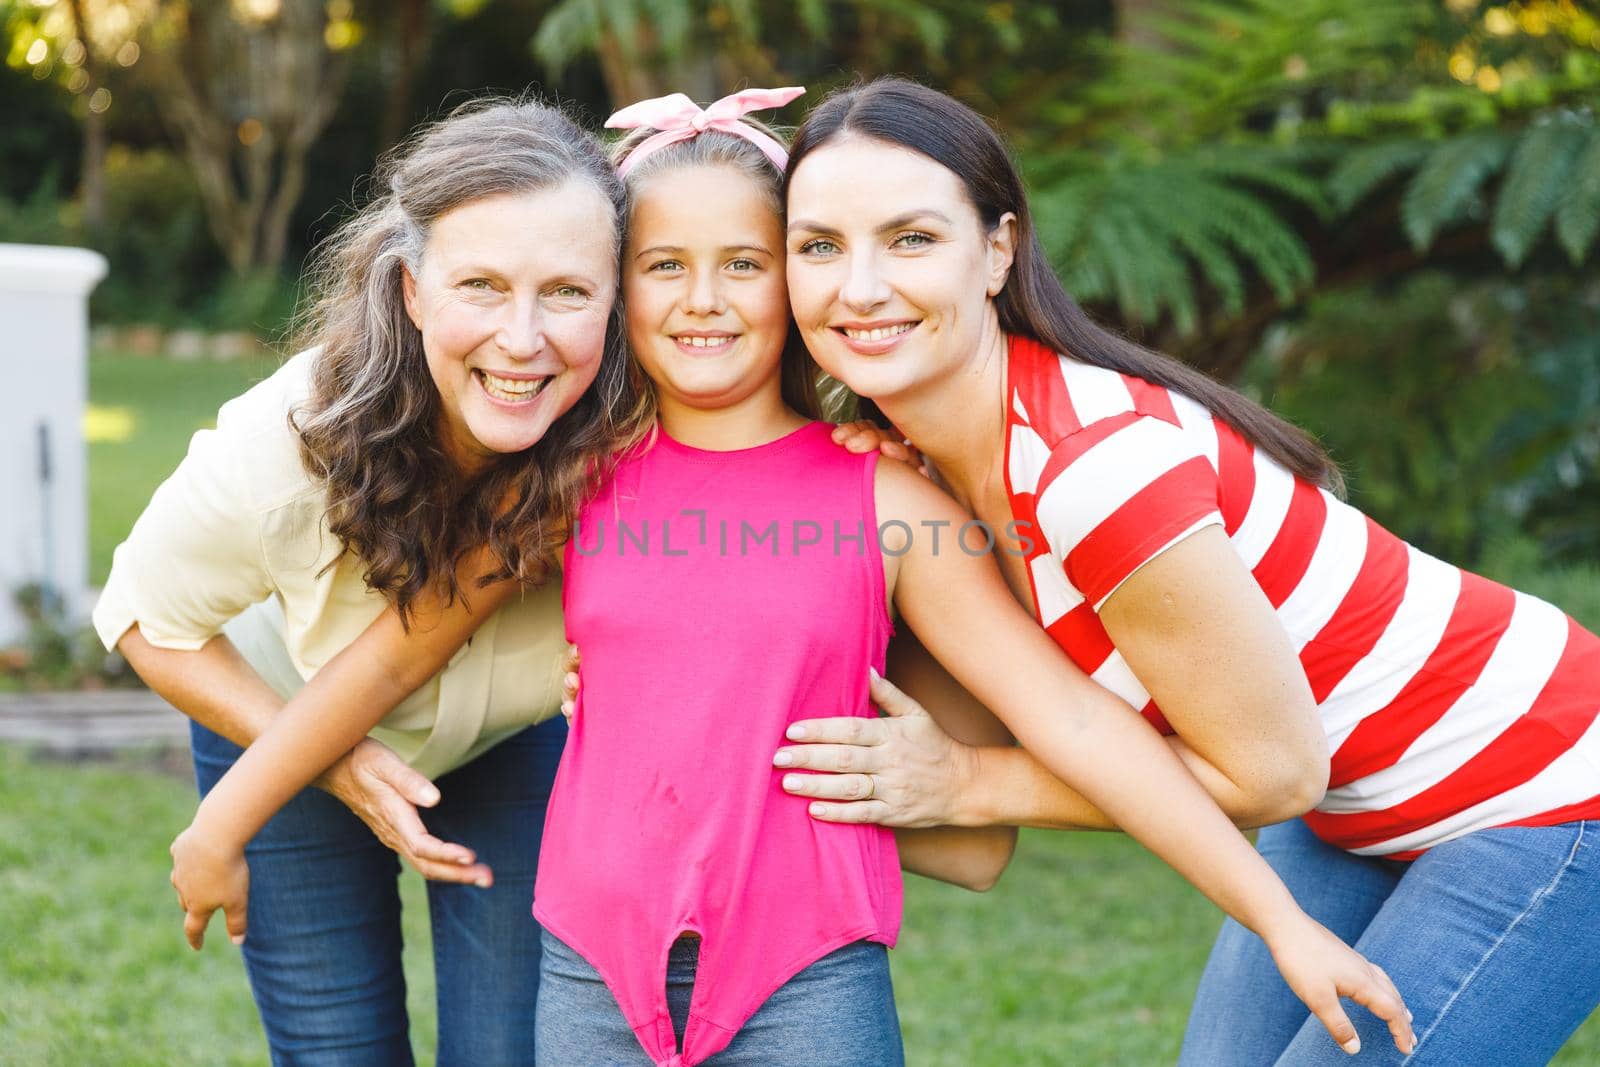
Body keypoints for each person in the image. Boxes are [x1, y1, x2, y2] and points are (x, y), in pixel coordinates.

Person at [771, 77, 1600, 1065]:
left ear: (996, 250)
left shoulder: (1093, 473)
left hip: (1545, 789)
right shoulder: (924, 479)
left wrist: (972, 782)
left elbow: (1274, 771)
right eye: (818, 245)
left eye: (910, 239)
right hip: (1346, 807)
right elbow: (974, 821)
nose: (856, 287)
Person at [95, 97, 655, 1066]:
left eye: (567, 291)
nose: (522, 338)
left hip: (519, 740)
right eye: (479, 283)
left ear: (619, 296)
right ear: (410, 290)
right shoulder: (285, 445)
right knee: (335, 1051)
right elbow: (148, 617)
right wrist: (327, 759)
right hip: (275, 715)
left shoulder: (636, 442)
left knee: (513, 1051)